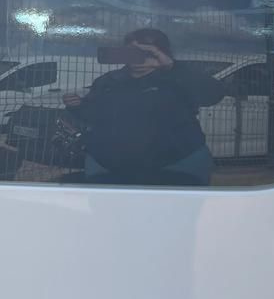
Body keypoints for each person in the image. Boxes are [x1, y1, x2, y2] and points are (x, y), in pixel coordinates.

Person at [62, 28, 224, 185]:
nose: (138, 58)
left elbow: (213, 95)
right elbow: (94, 116)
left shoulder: (179, 79)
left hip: (176, 166)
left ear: (162, 53)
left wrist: (171, 66)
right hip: (110, 168)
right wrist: (78, 106)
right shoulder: (109, 81)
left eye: (147, 53)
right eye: (132, 52)